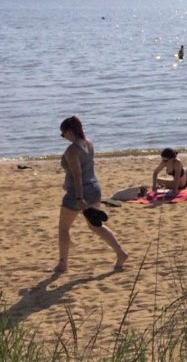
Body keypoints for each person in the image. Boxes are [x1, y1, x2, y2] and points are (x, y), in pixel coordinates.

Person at [55, 116, 127, 273]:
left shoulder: (72, 150)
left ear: (69, 131)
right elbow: (85, 169)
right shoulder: (89, 143)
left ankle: (62, 264)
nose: (63, 138)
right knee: (95, 225)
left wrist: (79, 197)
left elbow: (77, 175)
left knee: (63, 228)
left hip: (78, 191)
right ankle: (121, 253)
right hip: (94, 187)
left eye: (63, 134)